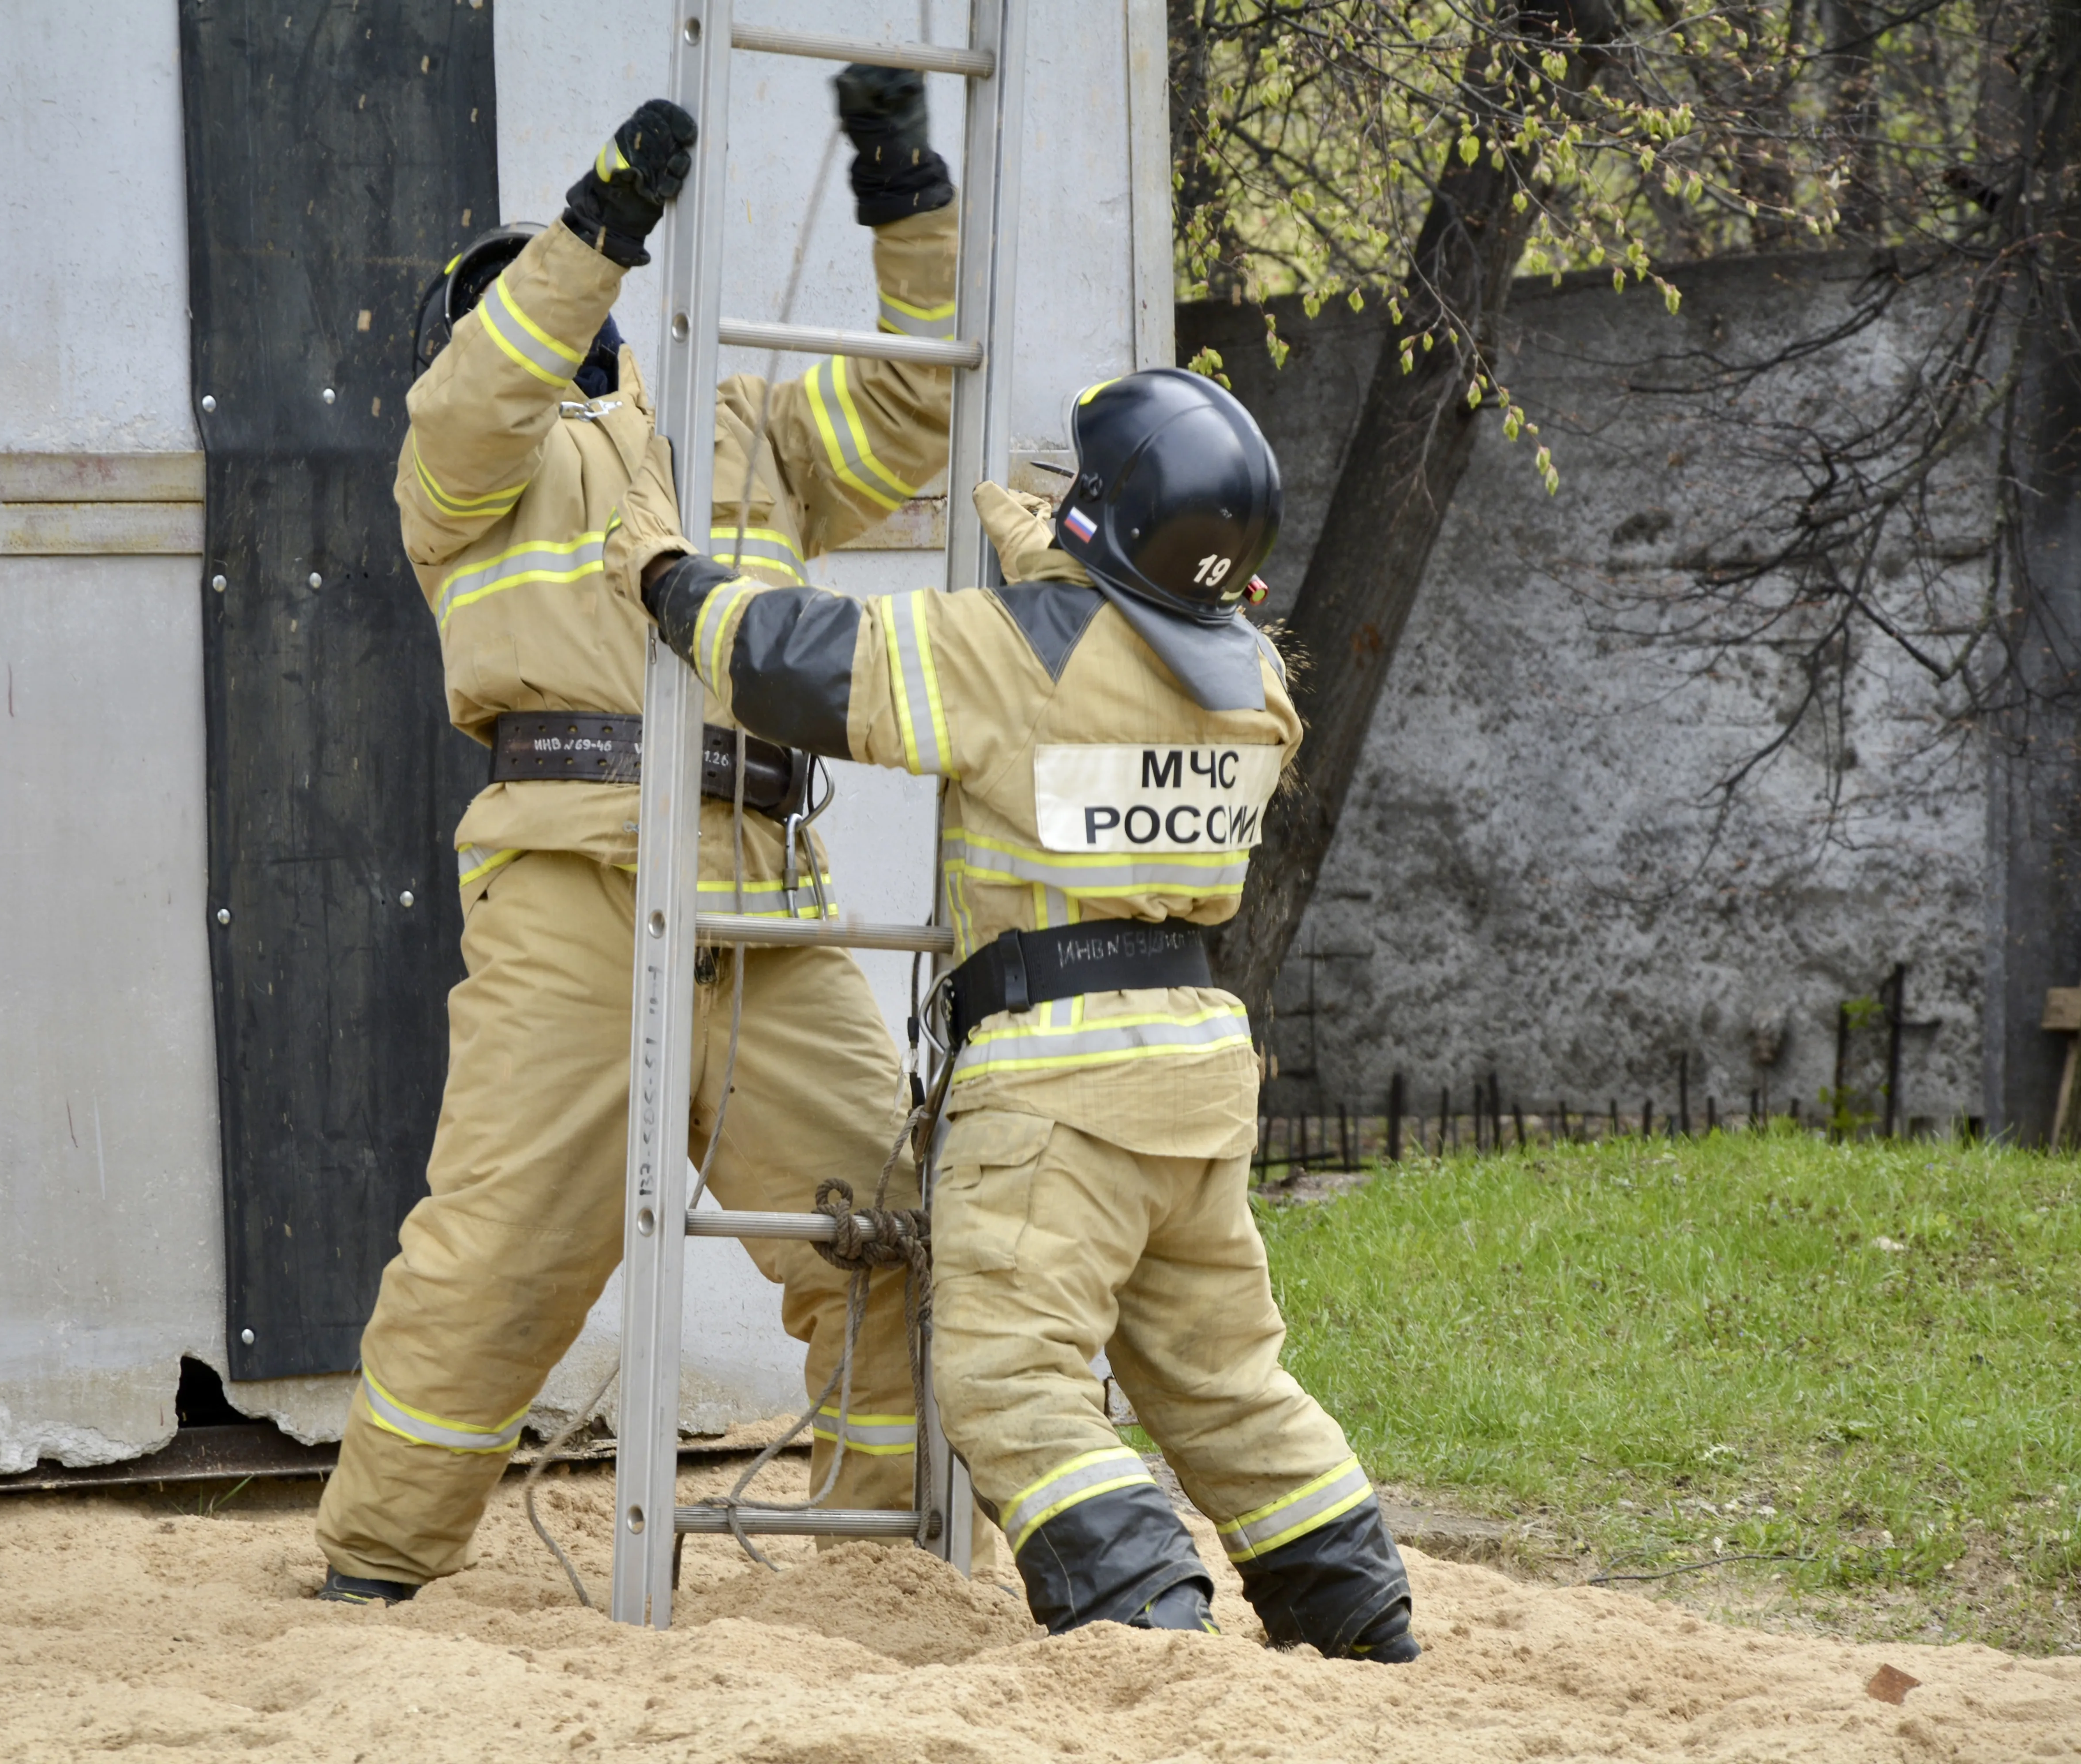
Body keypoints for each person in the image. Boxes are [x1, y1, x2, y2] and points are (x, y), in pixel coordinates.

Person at [607, 368, 1422, 1657]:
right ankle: (1364, 1631)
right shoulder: (1258, 681)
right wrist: (1082, 574)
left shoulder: (1012, 651)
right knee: (1227, 1387)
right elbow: (1138, 661)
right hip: (1196, 1071)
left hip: (1055, 1090)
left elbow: (800, 662)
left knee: (1008, 1377)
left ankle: (1146, 1626)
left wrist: (663, 572)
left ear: (1100, 521)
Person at [313, 71, 962, 1603]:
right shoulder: (458, 471)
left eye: (572, 301)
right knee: (504, 1248)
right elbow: (480, 397)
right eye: (531, 307)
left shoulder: (741, 427)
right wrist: (595, 227)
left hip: (764, 899)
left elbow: (908, 405)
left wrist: (903, 194)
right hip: (575, 890)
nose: (551, 329)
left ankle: (876, 1555)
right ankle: (379, 1559)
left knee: (888, 1228)